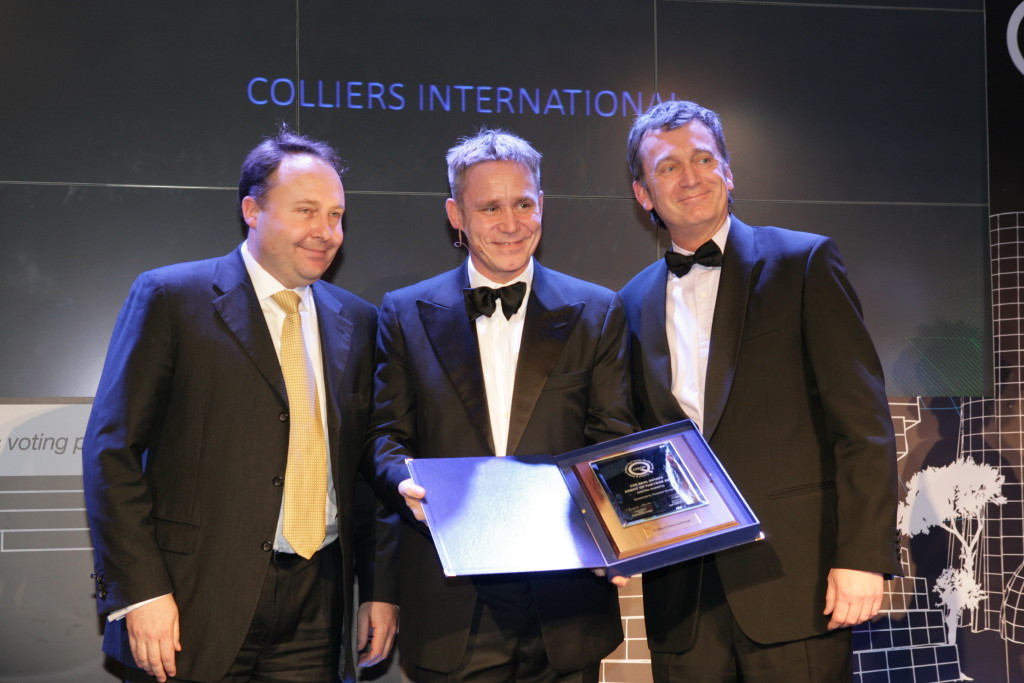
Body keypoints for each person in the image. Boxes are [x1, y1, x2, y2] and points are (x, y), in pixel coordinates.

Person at [83, 128, 398, 682]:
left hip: (317, 606)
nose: (326, 232)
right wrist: (141, 592)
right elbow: (113, 453)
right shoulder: (171, 298)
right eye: (306, 211)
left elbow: (364, 476)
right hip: (190, 603)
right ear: (252, 210)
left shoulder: (359, 319)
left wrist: (378, 588)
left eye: (336, 215)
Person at [619, 100, 900, 681]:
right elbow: (629, 440)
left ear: (728, 171)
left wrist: (862, 558)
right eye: (668, 167)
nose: (690, 177)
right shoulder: (628, 301)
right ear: (644, 194)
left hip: (798, 583)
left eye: (703, 158)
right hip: (683, 601)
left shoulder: (803, 262)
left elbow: (862, 424)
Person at [367, 128, 636, 683]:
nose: (511, 224)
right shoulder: (404, 312)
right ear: (456, 216)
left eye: (523, 204)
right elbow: (386, 434)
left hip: (567, 603)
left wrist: (617, 529)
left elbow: (612, 438)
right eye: (490, 207)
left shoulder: (599, 310)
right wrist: (403, 482)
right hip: (450, 601)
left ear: (543, 205)